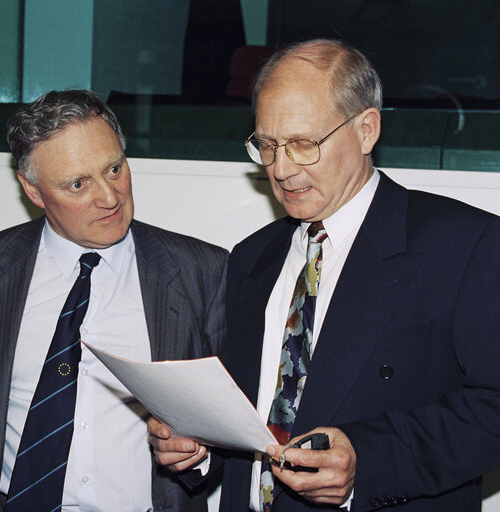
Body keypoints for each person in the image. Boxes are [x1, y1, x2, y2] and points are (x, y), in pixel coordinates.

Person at [148, 39, 500, 511]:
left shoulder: (464, 245)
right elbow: (247, 418)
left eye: (303, 144)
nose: (282, 168)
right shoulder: (253, 257)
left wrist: (367, 462)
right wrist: (196, 447)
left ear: (366, 130)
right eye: (267, 146)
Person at [0, 89, 227, 511]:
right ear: (33, 191)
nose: (109, 198)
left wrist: (199, 453)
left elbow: (228, 424)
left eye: (114, 169)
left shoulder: (202, 271)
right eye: (78, 184)